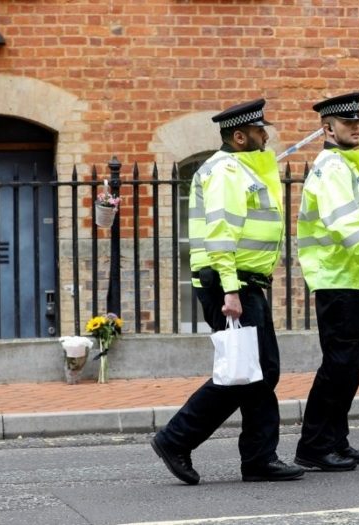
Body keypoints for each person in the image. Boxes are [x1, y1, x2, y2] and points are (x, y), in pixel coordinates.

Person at [151, 98, 304, 484]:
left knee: (258, 372)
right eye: (259, 131)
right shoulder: (226, 171)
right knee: (245, 371)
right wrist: (231, 291)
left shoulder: (240, 167)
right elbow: (221, 232)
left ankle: (258, 458)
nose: (265, 136)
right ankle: (176, 438)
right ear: (239, 136)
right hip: (230, 283)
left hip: (241, 282)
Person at [295, 92, 359, 471]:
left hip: (348, 277)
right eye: (348, 123)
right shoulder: (333, 167)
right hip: (337, 278)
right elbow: (345, 223)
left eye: (358, 121)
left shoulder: (348, 162)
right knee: (338, 366)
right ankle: (313, 446)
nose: (355, 128)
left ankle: (336, 439)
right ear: (327, 128)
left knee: (347, 367)